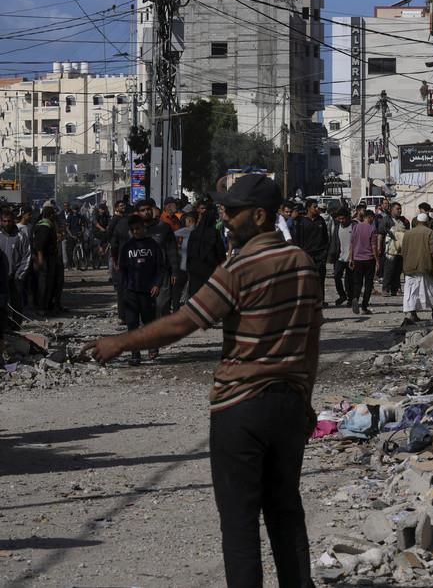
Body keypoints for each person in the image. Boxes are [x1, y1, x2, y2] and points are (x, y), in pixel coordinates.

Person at [87, 174, 320, 587]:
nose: (225, 217)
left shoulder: (239, 267)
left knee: (240, 524)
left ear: (260, 216)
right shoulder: (303, 263)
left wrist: (121, 342)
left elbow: (184, 322)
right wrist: (305, 399)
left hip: (241, 407)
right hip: (289, 404)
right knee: (287, 514)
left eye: (233, 211)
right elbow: (311, 342)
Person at [118, 215, 164, 365]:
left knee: (148, 322)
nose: (136, 231)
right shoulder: (127, 247)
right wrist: (123, 290)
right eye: (133, 230)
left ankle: (152, 346)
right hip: (130, 290)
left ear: (144, 227)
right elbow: (122, 270)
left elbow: (160, 267)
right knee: (132, 323)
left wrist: (157, 284)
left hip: (147, 291)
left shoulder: (153, 245)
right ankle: (135, 354)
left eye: (138, 228)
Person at [136, 198, 178, 319]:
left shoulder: (164, 227)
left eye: (148, 209)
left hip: (162, 272)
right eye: (142, 210)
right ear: (138, 213)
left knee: (162, 303)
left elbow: (172, 250)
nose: (146, 212)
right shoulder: (134, 229)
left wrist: (175, 271)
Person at [401, 213, 433, 324]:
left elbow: (403, 251)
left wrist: (405, 265)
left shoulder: (408, 233)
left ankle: (413, 314)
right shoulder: (430, 233)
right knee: (431, 290)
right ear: (427, 222)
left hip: (410, 267)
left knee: (411, 292)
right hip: (425, 266)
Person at [186, 202, 227, 298]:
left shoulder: (194, 233)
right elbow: (220, 253)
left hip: (195, 271)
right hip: (210, 270)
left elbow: (189, 252)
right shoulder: (215, 233)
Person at [0, 208, 30, 330]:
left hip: (15, 276)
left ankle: (16, 325)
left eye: (10, 221)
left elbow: (26, 257)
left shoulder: (20, 237)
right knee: (2, 304)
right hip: (1, 278)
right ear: (1, 221)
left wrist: (19, 275)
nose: (7, 223)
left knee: (16, 302)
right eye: (5, 221)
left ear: (13, 221)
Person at [292, 199, 330, 293]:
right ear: (308, 208)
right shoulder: (301, 221)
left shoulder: (320, 220)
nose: (317, 209)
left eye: (317, 207)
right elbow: (298, 239)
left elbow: (325, 237)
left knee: (320, 279)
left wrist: (325, 252)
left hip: (320, 255)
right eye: (315, 207)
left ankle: (321, 300)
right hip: (307, 254)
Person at [348, 209, 379, 314]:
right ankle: (364, 307)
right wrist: (377, 260)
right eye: (373, 218)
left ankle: (355, 297)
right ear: (369, 217)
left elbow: (352, 244)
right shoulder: (372, 228)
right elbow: (374, 246)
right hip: (369, 259)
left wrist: (351, 258)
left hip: (357, 259)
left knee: (358, 282)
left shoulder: (355, 227)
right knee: (368, 284)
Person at [33, 205, 61, 314]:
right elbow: (40, 245)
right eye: (53, 214)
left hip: (48, 257)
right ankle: (41, 307)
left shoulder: (44, 224)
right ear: (50, 215)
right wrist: (40, 259)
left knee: (48, 282)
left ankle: (47, 305)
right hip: (45, 259)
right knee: (44, 283)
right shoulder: (45, 226)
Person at [327, 208, 354, 306]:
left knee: (349, 280)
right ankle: (342, 295)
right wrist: (331, 256)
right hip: (340, 257)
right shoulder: (337, 227)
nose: (341, 221)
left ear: (347, 217)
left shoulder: (354, 226)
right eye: (340, 219)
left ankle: (350, 299)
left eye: (343, 218)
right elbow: (334, 242)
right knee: (336, 276)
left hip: (351, 258)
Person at [381, 203, 408, 296]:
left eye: (400, 209)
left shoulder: (403, 221)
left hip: (400, 250)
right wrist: (379, 248)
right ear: (391, 210)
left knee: (398, 270)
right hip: (390, 250)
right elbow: (381, 234)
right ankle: (385, 289)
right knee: (389, 270)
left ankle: (395, 288)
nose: (399, 210)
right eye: (397, 209)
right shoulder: (386, 220)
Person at [171, 213, 195, 311]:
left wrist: (177, 247)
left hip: (183, 265)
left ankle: (177, 309)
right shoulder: (199, 232)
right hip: (194, 266)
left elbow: (172, 234)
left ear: (189, 221)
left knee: (178, 289)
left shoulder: (186, 231)